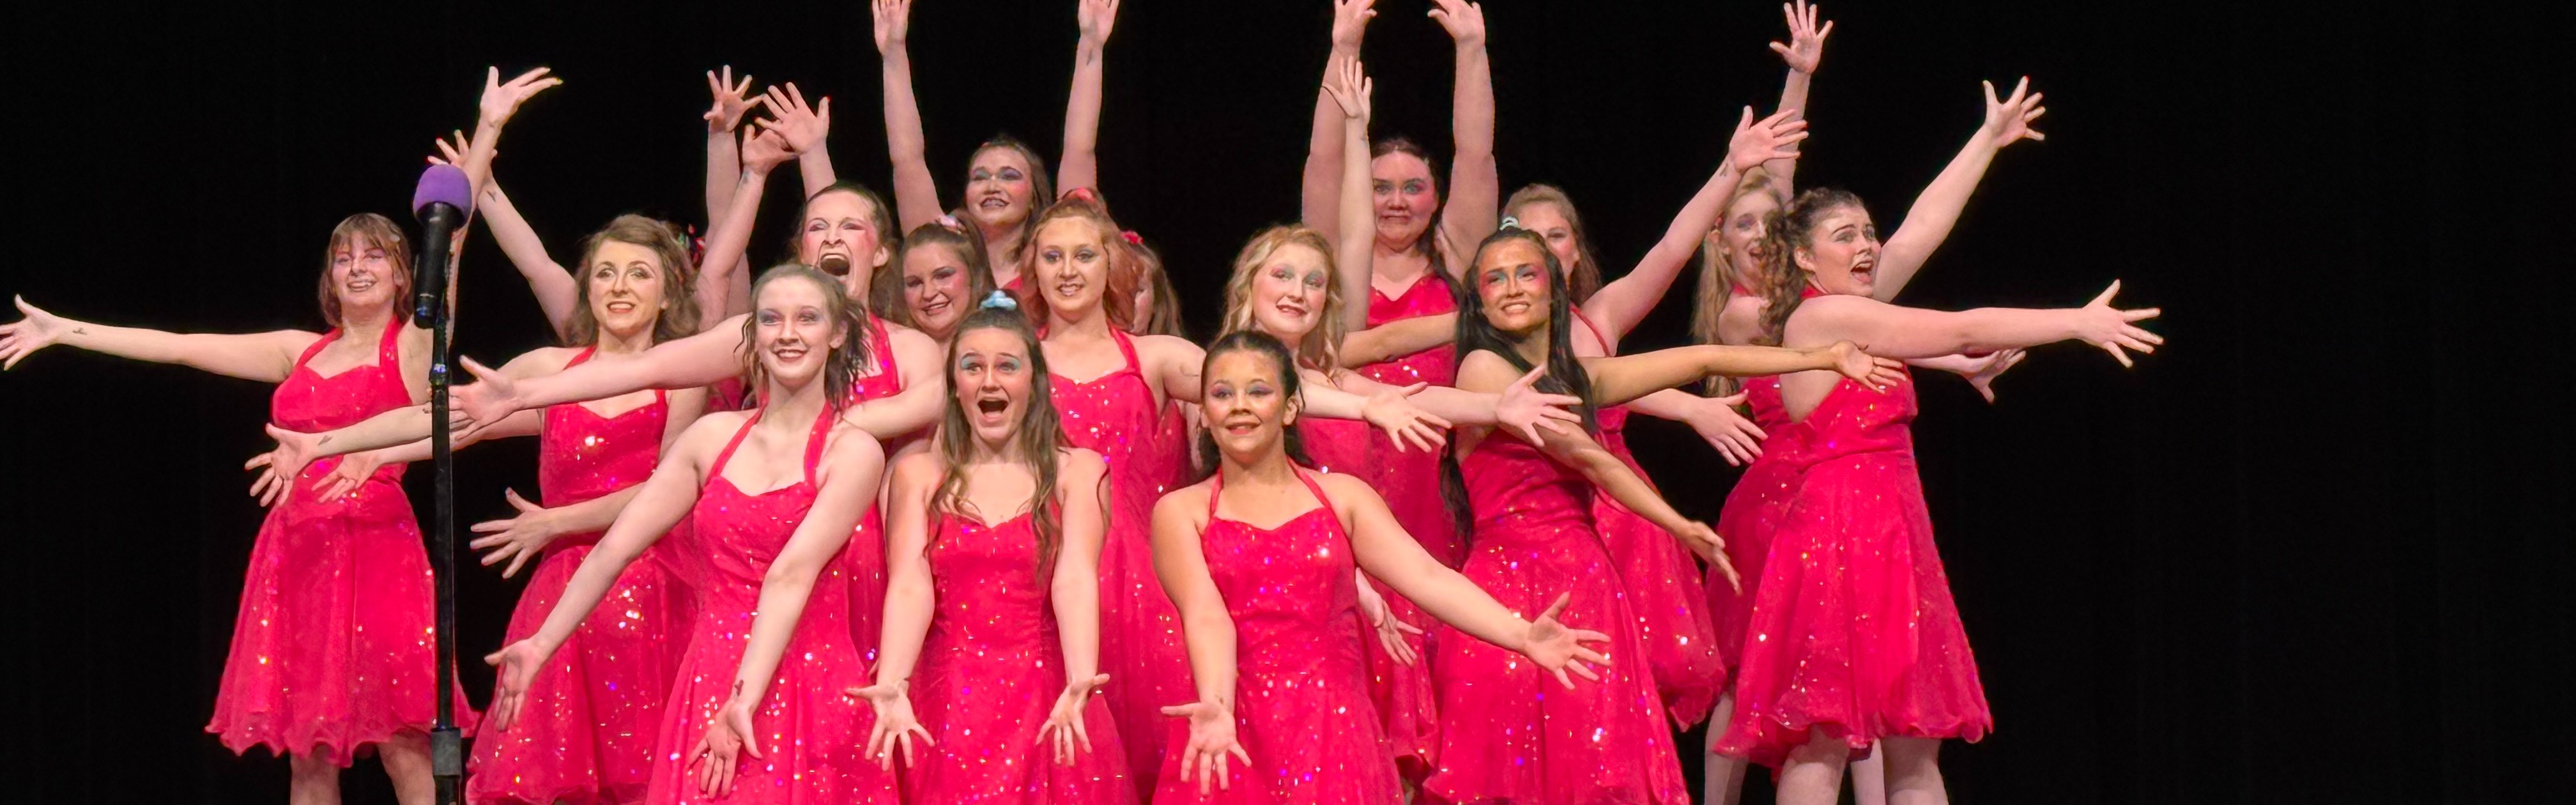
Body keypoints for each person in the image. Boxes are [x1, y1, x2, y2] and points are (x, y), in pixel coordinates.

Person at [0, 67, 548, 804]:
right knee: (307, 753)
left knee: (405, 747)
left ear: (399, 274)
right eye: (343, 257)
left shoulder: (414, 345)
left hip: (378, 544)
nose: (357, 267)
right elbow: (182, 343)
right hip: (297, 550)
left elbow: (451, 239)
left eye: (374, 255)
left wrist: (486, 132)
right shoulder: (303, 349)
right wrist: (65, 330)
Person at [1715, 188, 2159, 805]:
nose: (1868, 245)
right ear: (1803, 259)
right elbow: (1965, 326)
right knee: (1823, 739)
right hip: (1840, 535)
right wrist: (2076, 322)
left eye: (1868, 232)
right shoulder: (1819, 318)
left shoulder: (1855, 326)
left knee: (1916, 744)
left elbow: (1924, 227)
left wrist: (1988, 139)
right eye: (1845, 235)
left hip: (1894, 532)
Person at [1430, 227, 1903, 804]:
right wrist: (1677, 524)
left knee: (1595, 773)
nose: (1511, 289)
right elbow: (1591, 460)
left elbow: (1701, 357)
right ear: (1477, 300)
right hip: (1508, 588)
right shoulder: (1482, 366)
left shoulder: (1579, 377)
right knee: (1513, 774)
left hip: (1587, 585)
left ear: (1555, 290)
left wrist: (1822, 356)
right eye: (1494, 279)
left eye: (1526, 273)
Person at [254, 215, 711, 804]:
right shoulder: (550, 368)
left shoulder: (682, 376)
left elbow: (669, 489)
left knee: (651, 773)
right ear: (588, 289)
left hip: (658, 593)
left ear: (668, 291)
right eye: (605, 274)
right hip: (564, 595)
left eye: (639, 274)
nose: (619, 287)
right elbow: (445, 419)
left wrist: (557, 521)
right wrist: (338, 443)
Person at [1013, 192, 1458, 795]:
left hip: (1141, 584)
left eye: (1085, 255)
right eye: (1054, 256)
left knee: (1151, 745)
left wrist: (1362, 405)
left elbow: (1246, 387)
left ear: (1110, 267)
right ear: (1032, 270)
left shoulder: (1155, 356)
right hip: (1036, 573)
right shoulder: (1016, 365)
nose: (1069, 270)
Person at [1693, 65, 2049, 805]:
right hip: (1793, 510)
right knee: (1795, 708)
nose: (1760, 236)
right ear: (1723, 247)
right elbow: (1861, 330)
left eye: (1771, 223)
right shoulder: (1750, 317)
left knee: (1883, 714)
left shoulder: (1841, 296)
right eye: (1745, 226)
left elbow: (1919, 230)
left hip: (1878, 513)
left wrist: (1984, 141)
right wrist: (1954, 353)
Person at [486, 265, 898, 804]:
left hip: (804, 679)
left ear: (838, 333)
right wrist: (543, 641)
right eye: (771, 319)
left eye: (807, 318)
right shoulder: (709, 439)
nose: (788, 333)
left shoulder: (853, 450)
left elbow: (790, 576)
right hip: (712, 672)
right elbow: (615, 547)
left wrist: (743, 700)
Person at [1147, 331, 1611, 803]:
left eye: (1259, 391)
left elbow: (1427, 577)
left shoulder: (1344, 499)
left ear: (1290, 408)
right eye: (1222, 393)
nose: (1240, 405)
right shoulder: (1183, 512)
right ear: (1204, 412)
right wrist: (1220, 705)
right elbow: (1206, 615)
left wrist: (1521, 635)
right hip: (1228, 722)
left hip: (1333, 727)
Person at [1494, 103, 1809, 729]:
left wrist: (1730, 168)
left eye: (1556, 235)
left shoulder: (1601, 317)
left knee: (1623, 702)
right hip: (1528, 526)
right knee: (1535, 705)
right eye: (1526, 236)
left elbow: (1671, 248)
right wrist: (1685, 407)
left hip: (1619, 525)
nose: (1543, 248)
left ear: (1575, 249)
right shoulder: (1486, 336)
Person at [853, 305, 1135, 803]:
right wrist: (894, 679)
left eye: (1007, 366)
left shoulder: (1079, 471)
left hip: (1047, 690)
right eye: (972, 366)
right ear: (954, 384)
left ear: (1035, 380)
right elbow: (909, 583)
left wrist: (1079, 679)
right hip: (948, 698)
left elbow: (1074, 576)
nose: (989, 380)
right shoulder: (918, 475)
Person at [875, 0, 1121, 289]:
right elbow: (908, 161)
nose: (992, 186)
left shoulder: (1058, 255)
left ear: (1034, 196)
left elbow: (1080, 149)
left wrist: (1091, 45)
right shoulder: (942, 254)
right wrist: (893, 54)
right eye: (980, 177)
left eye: (1009, 175)